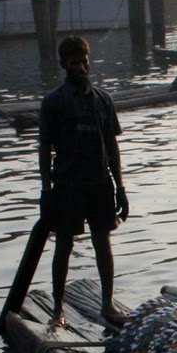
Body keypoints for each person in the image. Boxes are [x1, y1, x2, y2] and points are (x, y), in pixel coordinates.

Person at [38, 36, 129, 329]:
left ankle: (107, 304)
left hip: (99, 183)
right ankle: (57, 310)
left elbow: (112, 147)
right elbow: (44, 147)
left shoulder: (103, 100)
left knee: (103, 242)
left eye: (85, 61)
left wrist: (121, 187)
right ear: (64, 65)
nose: (82, 67)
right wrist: (45, 190)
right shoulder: (54, 102)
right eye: (75, 62)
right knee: (64, 245)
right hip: (67, 184)